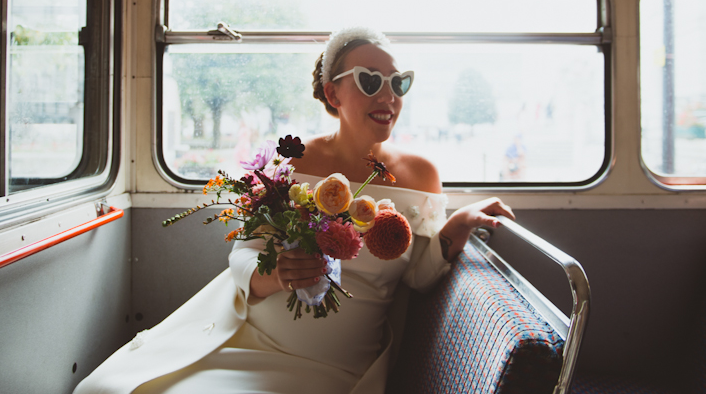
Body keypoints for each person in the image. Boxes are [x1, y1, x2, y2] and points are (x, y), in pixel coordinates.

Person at [74, 26, 514, 394]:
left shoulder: (421, 175)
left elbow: (417, 277)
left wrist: (457, 225)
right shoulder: (293, 163)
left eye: (398, 83)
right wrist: (280, 273)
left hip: (336, 366)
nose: (388, 96)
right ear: (333, 92)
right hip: (249, 339)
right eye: (369, 80)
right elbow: (244, 255)